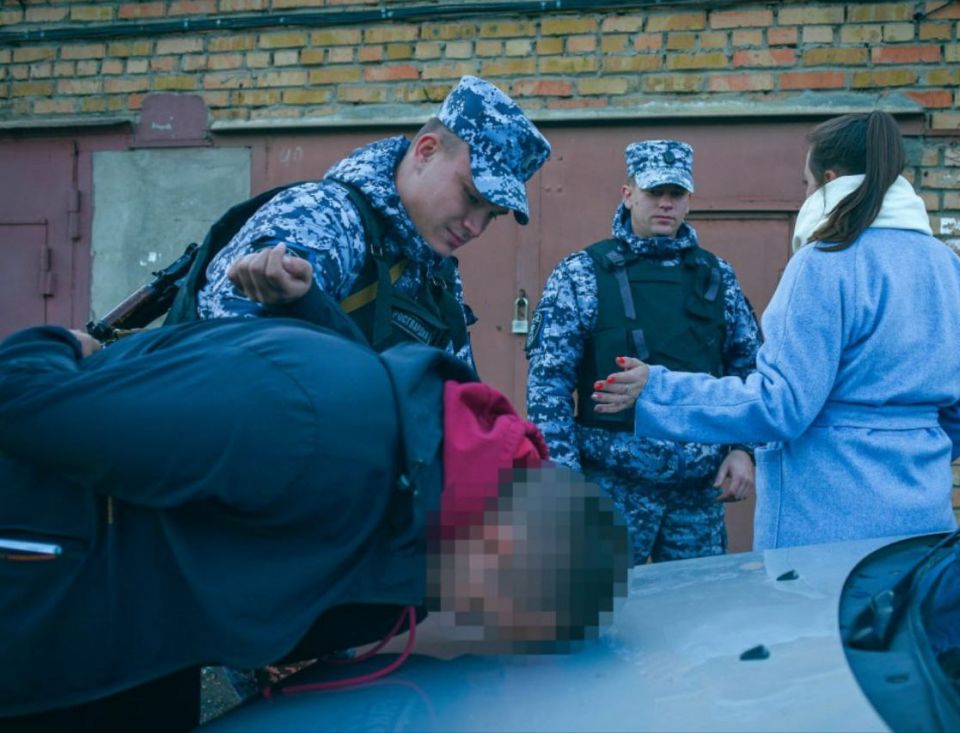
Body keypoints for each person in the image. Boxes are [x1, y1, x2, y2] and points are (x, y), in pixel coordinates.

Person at [0, 314, 627, 732]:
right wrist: (59, 344)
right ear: (509, 547)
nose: (474, 624)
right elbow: (21, 398)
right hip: (37, 609)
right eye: (498, 616)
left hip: (136, 655)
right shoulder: (296, 416)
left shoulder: (433, 507)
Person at [595, 112, 960, 551]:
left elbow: (782, 405)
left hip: (825, 523)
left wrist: (659, 389)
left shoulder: (826, 263)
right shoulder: (953, 270)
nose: (806, 196)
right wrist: (910, 448)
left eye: (807, 185)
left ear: (829, 181)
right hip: (925, 519)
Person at [194, 75, 551, 370]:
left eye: (491, 215)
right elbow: (230, 366)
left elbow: (453, 400)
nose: (476, 227)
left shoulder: (434, 271)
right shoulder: (323, 216)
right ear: (426, 151)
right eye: (471, 197)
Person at [525, 140, 762, 565]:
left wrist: (744, 449)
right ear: (628, 194)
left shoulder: (717, 276)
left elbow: (749, 369)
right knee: (599, 604)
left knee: (698, 604)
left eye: (676, 193)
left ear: (689, 200)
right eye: (654, 192)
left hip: (697, 495)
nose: (666, 203)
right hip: (611, 489)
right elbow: (548, 387)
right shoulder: (583, 273)